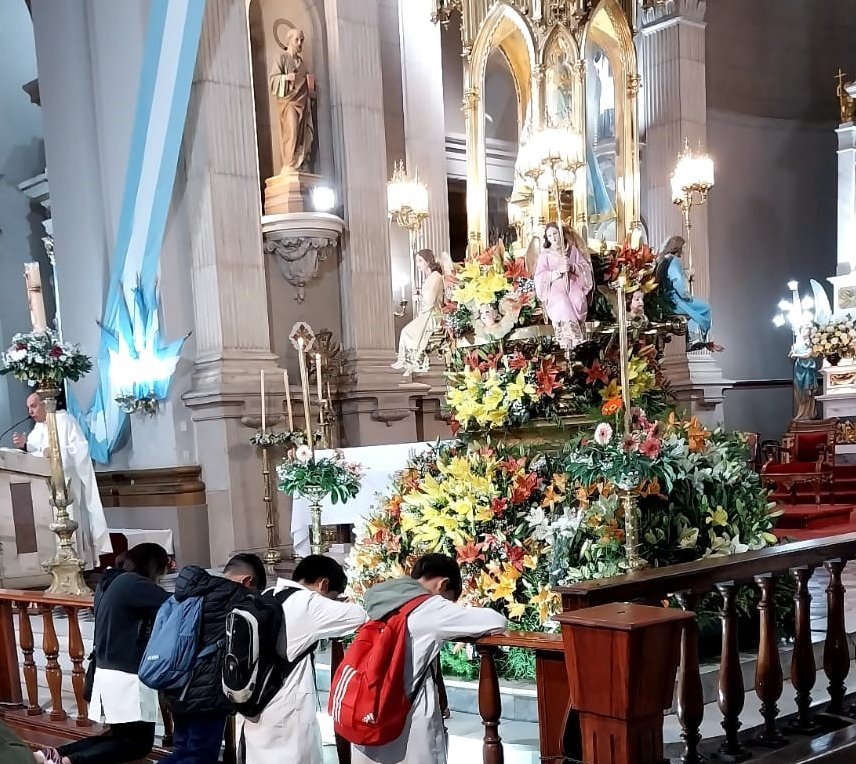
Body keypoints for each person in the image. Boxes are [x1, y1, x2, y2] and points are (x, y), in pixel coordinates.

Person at [352, 553, 507, 764]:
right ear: (443, 584)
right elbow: (496, 621)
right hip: (409, 720)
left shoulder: (382, 602)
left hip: (368, 710)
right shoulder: (430, 607)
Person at [35, 543, 170, 764]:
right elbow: (174, 606)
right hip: (127, 674)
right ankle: (69, 762)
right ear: (154, 566)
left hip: (105, 671)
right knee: (137, 744)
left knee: (119, 737)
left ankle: (51, 755)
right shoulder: (134, 584)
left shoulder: (108, 582)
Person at [239, 555, 366, 764]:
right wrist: (340, 603)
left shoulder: (269, 594)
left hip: (256, 701)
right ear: (323, 583)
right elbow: (359, 616)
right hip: (287, 710)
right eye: (333, 596)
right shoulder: (308, 602)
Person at [161, 553, 267, 764]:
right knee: (200, 756)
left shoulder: (190, 593)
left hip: (175, 682)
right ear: (247, 581)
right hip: (206, 692)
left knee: (182, 750)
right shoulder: (235, 596)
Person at [13, 392, 111, 569]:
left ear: (45, 404)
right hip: (44, 491)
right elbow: (36, 456)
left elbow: (80, 450)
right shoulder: (37, 430)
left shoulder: (64, 421)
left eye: (33, 406)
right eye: (28, 408)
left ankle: (74, 564)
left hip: (66, 485)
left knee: (70, 521)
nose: (30, 411)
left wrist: (58, 454)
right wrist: (25, 447)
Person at [657, 235, 724, 352]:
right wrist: (687, 297)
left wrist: (686, 273)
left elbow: (671, 276)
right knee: (705, 308)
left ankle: (702, 338)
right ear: (677, 248)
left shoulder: (664, 259)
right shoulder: (674, 261)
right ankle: (699, 339)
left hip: (666, 298)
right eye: (682, 248)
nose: (682, 252)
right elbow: (677, 282)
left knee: (695, 313)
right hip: (675, 300)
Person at [534, 223, 594, 350]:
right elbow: (540, 276)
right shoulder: (545, 255)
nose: (553, 238)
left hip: (573, 283)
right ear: (547, 238)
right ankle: (568, 338)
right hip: (555, 287)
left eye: (555, 234)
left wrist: (573, 267)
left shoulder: (572, 251)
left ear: (561, 234)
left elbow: (585, 268)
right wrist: (557, 272)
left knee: (578, 299)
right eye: (549, 235)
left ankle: (577, 334)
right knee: (561, 302)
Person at [391, 250, 445, 378]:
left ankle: (408, 362)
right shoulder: (430, 278)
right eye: (416, 261)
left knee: (406, 332)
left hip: (432, 315)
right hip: (426, 313)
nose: (417, 264)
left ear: (428, 261)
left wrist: (420, 294)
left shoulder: (436, 276)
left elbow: (430, 300)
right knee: (406, 332)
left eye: (420, 261)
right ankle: (404, 361)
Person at [269, 27, 314, 173]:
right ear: (290, 41)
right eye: (297, 40)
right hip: (288, 103)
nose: (300, 43)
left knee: (302, 133)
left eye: (302, 40)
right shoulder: (281, 58)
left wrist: (311, 87)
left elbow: (304, 85)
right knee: (292, 128)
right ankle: (289, 163)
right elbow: (272, 81)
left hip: (302, 103)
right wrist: (286, 78)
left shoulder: (301, 64)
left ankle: (299, 162)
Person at [790, 325, 818, 420]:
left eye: (806, 329)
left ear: (810, 331)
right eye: (802, 329)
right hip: (799, 369)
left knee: (808, 390)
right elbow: (791, 355)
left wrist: (796, 354)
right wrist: (792, 354)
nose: (804, 331)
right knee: (799, 389)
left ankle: (808, 413)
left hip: (807, 369)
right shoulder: (796, 344)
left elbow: (807, 354)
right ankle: (801, 413)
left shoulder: (810, 343)